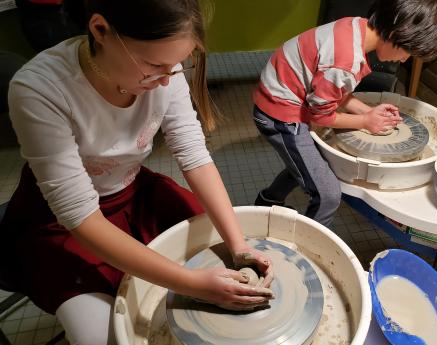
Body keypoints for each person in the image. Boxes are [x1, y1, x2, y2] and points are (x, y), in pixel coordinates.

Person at [0, 0, 274, 344]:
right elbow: (79, 215)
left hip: (134, 192)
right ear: (100, 30)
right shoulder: (39, 89)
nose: (165, 81)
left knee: (218, 243)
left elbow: (194, 156)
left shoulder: (165, 73)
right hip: (64, 221)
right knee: (105, 335)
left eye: (173, 67)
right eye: (153, 66)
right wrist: (192, 285)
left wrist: (240, 246)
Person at [252, 0, 437, 227]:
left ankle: (266, 201)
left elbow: (335, 92)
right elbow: (320, 115)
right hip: (279, 113)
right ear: (401, 32)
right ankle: (304, 249)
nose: (405, 59)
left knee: (305, 164)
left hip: (281, 91)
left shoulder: (355, 27)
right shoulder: (345, 62)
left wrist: (367, 111)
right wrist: (365, 122)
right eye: (409, 51)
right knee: (328, 195)